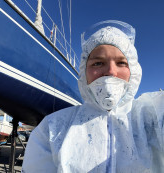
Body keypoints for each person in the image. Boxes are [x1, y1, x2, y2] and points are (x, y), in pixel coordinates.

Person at [21, 20, 164, 173]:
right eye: (98, 63)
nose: (110, 71)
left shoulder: (152, 115)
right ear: (84, 72)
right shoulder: (52, 128)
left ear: (133, 71)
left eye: (121, 63)